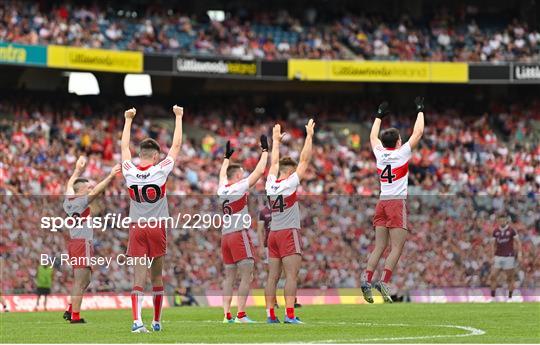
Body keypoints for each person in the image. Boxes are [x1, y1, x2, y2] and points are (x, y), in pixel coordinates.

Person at [121, 105, 183, 333]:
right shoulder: (160, 170)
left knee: (138, 277)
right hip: (157, 227)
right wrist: (178, 117)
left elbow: (123, 149)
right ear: (156, 156)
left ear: (140, 155)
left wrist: (128, 120)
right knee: (157, 275)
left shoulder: (129, 170)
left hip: (137, 227)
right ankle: (156, 321)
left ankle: (137, 322)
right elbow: (176, 146)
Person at [361, 97, 424, 304]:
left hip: (382, 201)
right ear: (398, 142)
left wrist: (379, 115)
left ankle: (366, 278)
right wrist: (420, 110)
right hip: (396, 203)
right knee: (396, 247)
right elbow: (418, 133)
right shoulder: (401, 153)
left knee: (379, 246)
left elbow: (372, 137)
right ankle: (384, 281)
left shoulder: (379, 153)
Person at [265, 119, 315, 324]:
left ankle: (270, 315)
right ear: (290, 171)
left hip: (273, 233)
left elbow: (273, 163)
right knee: (292, 276)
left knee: (272, 277)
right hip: (288, 232)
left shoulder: (270, 183)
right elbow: (304, 160)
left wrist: (275, 141)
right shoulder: (289, 183)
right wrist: (309, 137)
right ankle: (290, 315)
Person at [62, 156, 120, 323]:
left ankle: (70, 309)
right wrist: (110, 176)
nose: (90, 189)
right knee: (80, 281)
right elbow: (97, 191)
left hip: (76, 242)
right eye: (87, 187)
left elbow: (69, 184)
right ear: (81, 190)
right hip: (82, 243)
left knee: (85, 280)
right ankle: (75, 317)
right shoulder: (81, 201)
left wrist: (77, 170)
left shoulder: (69, 199)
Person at [218, 136, 268, 323]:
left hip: (225, 236)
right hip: (238, 234)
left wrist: (226, 158)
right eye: (241, 172)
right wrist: (265, 152)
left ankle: (226, 314)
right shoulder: (239, 187)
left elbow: (222, 174)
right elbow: (259, 171)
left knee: (229, 276)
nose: (243, 174)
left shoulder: (221, 187)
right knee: (247, 274)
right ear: (238, 176)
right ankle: (241, 314)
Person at [489, 214, 522, 301]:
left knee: (510, 278)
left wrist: (519, 253)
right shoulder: (495, 231)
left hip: (509, 256)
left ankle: (510, 297)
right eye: (500, 220)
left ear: (506, 221)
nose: (502, 222)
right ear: (498, 221)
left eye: (503, 220)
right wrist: (492, 256)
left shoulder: (511, 230)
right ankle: (492, 297)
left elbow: (518, 242)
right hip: (498, 256)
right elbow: (492, 244)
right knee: (493, 276)